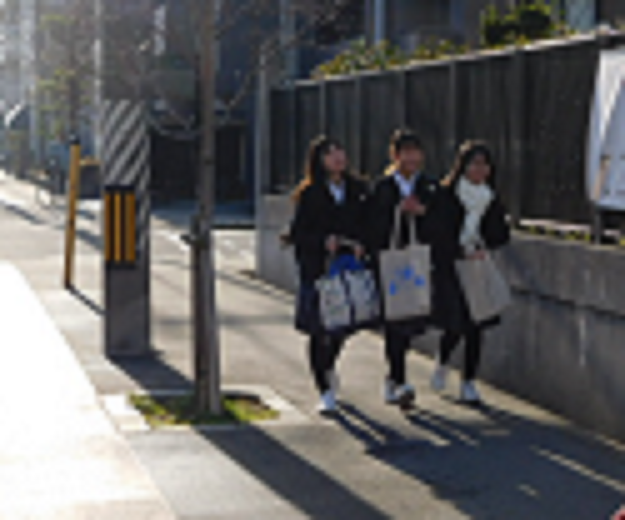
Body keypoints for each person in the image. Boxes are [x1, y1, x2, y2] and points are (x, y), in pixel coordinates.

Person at [290, 136, 369, 414]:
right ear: (319, 160)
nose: (337, 157)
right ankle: (324, 388)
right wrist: (323, 241)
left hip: (349, 269)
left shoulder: (358, 189)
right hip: (319, 270)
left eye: (340, 151)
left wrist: (361, 244)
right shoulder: (310, 193)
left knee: (342, 328)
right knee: (319, 330)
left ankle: (328, 366)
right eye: (330, 153)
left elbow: (369, 225)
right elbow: (298, 234)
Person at [428, 141, 511, 404]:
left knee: (477, 325)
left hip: (477, 264)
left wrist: (485, 242)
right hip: (451, 265)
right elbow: (437, 233)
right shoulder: (447, 194)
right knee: (455, 324)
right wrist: (459, 250)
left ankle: (469, 381)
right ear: (462, 166)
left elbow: (501, 234)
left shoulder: (490, 197)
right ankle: (442, 361)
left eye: (485, 164)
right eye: (475, 163)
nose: (480, 169)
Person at [369, 129, 440, 408]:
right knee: (395, 323)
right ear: (395, 156)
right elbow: (372, 225)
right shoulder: (382, 188)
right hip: (390, 263)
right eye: (405, 152)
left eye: (415, 152)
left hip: (419, 263)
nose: (411, 158)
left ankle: (393, 377)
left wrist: (422, 213)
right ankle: (399, 380)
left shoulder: (430, 187)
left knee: (411, 324)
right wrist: (396, 211)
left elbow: (443, 224)